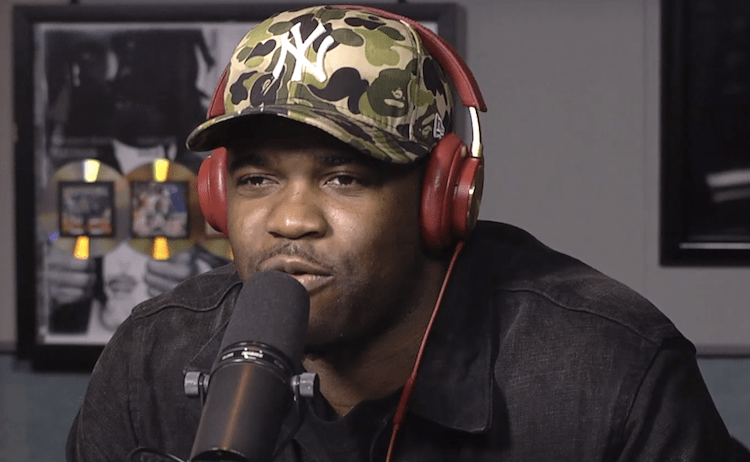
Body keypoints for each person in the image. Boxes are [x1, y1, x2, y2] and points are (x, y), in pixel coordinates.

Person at [66, 5, 750, 462]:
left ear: (442, 198)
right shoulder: (151, 359)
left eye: (344, 178)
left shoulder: (605, 373)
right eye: (257, 179)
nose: (291, 219)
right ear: (217, 197)